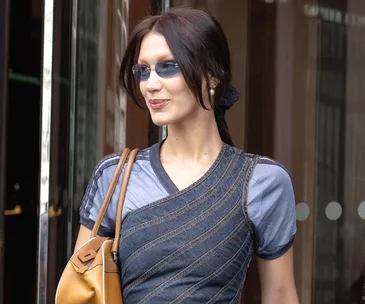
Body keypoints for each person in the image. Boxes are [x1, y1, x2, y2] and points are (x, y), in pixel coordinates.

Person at [75, 7, 299, 303]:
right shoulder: (116, 175)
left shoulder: (263, 182)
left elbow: (281, 296)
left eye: (167, 66)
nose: (150, 84)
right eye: (143, 70)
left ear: (213, 76)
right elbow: (81, 289)